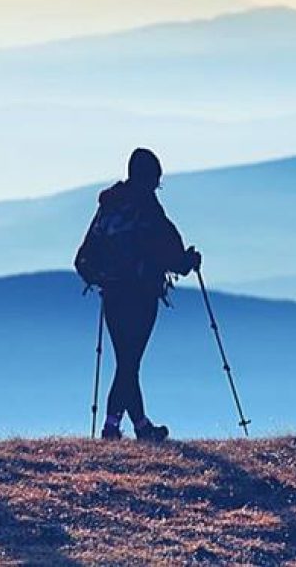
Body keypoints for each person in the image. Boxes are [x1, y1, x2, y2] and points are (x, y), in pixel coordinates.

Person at [94, 148, 201, 441]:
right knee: (130, 362)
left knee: (126, 361)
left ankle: (135, 425)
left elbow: (89, 251)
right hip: (141, 295)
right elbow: (171, 255)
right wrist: (189, 261)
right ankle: (116, 426)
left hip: (112, 293)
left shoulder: (109, 205)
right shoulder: (149, 209)